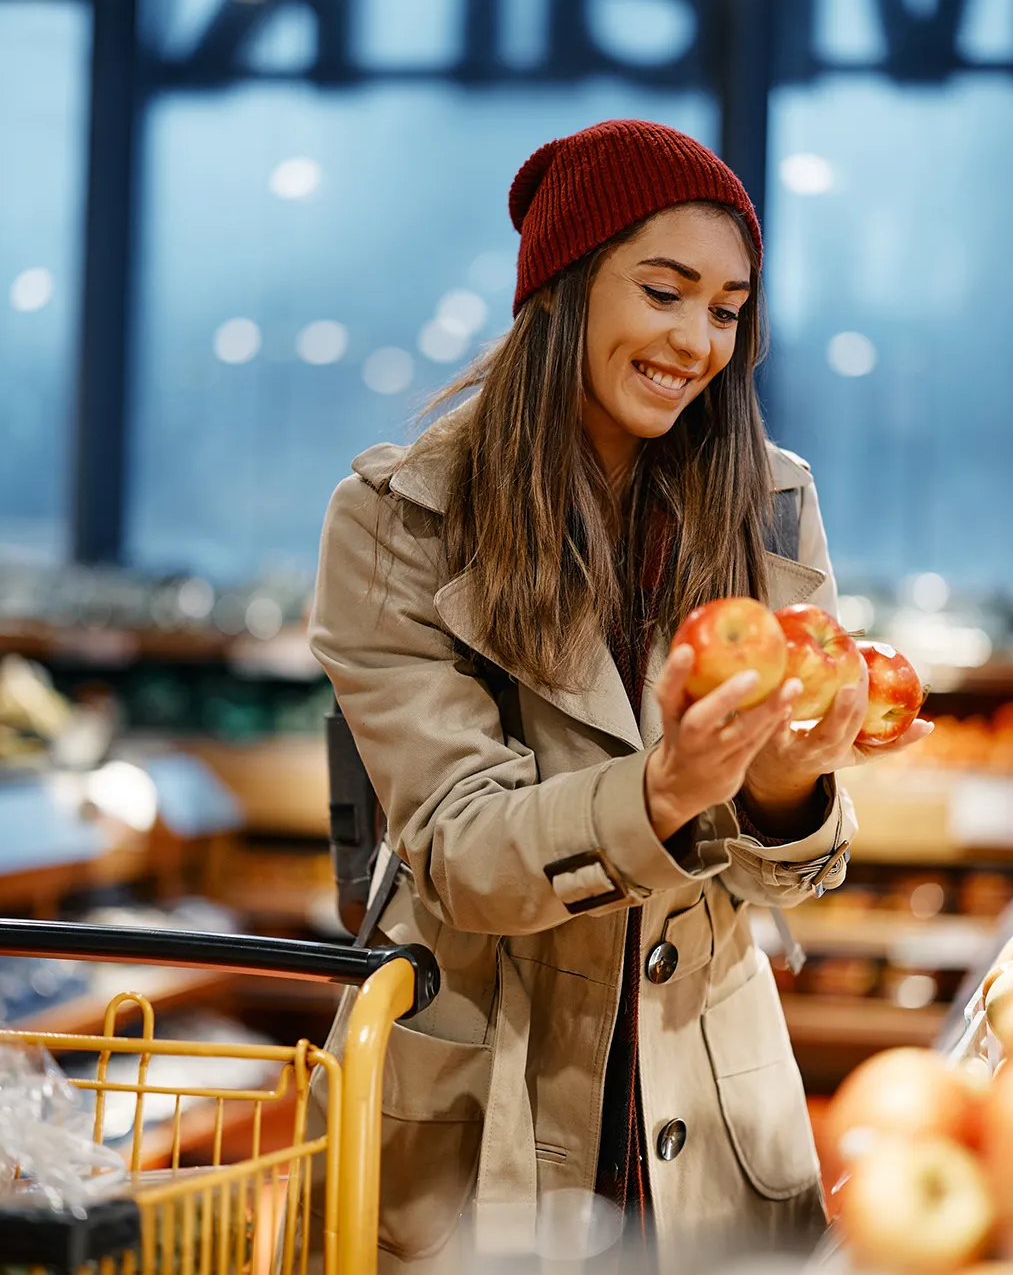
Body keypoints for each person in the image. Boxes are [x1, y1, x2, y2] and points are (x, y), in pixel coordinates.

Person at [310, 119, 928, 1273]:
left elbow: (786, 874)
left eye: (727, 309)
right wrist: (662, 792)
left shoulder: (768, 504)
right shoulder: (400, 522)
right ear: (563, 284)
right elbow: (460, 849)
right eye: (662, 291)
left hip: (703, 1086)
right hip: (480, 1103)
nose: (696, 341)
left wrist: (787, 785)